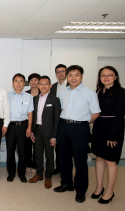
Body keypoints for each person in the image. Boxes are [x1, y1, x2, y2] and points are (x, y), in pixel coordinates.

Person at [53, 65, 101, 203]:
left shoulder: (89, 93)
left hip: (80, 128)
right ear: (67, 77)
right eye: (70, 75)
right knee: (64, 158)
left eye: (76, 74)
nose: (73, 78)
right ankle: (66, 183)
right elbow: (61, 109)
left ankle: (80, 190)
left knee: (80, 160)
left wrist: (83, 123)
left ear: (82, 76)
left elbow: (96, 113)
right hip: (63, 126)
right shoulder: (63, 92)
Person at [91, 66, 125, 204]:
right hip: (99, 127)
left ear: (115, 77)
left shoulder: (120, 92)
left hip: (113, 129)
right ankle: (99, 187)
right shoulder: (99, 91)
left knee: (111, 161)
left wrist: (112, 135)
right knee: (99, 158)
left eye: (109, 75)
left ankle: (109, 191)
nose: (106, 77)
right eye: (103, 75)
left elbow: (119, 116)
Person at [28, 76, 60, 189]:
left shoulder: (55, 99)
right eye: (41, 84)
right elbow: (31, 116)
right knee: (37, 154)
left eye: (46, 84)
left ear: (50, 86)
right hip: (37, 130)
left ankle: (48, 177)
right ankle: (39, 174)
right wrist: (31, 131)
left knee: (49, 156)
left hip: (49, 132)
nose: (43, 86)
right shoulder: (34, 99)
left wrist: (54, 136)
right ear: (38, 85)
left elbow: (57, 120)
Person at [6, 73, 33, 183]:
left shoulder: (28, 96)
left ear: (24, 83)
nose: (18, 83)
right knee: (10, 151)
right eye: (16, 81)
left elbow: (30, 113)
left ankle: (22, 174)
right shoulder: (7, 95)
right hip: (10, 126)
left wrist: (29, 128)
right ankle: (11, 174)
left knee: (23, 152)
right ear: (12, 83)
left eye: (21, 81)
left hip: (23, 126)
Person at [50, 64, 69, 175]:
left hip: (66, 119)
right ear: (56, 74)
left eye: (63, 71)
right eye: (58, 71)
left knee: (65, 145)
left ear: (66, 73)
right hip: (55, 120)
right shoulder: (52, 87)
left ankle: (65, 168)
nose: (60, 73)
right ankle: (58, 166)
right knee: (56, 143)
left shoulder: (71, 86)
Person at [25, 73, 41, 173]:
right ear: (29, 82)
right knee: (27, 145)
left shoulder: (43, 93)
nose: (34, 82)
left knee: (37, 145)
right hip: (27, 123)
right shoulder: (25, 94)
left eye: (36, 80)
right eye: (31, 80)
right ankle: (28, 164)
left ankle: (36, 165)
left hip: (39, 124)